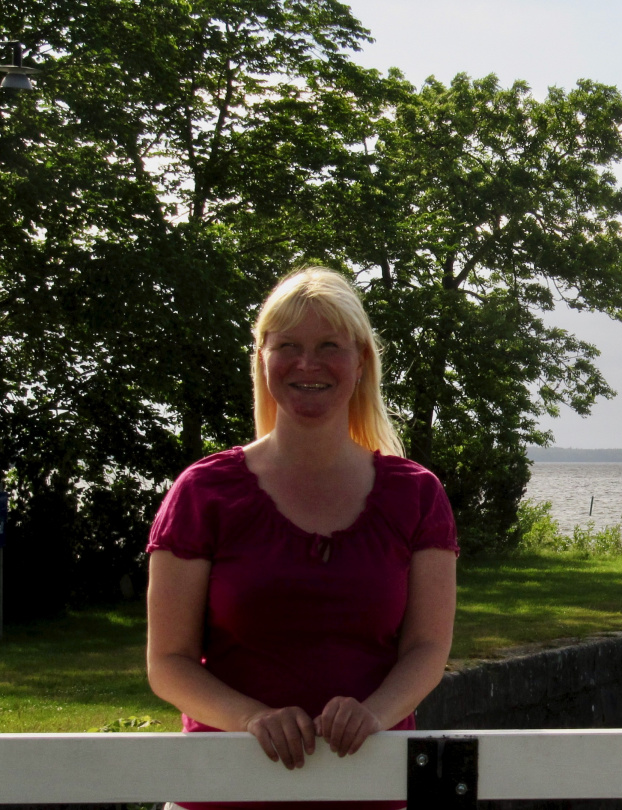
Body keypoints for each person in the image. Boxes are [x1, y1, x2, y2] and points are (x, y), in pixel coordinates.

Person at [146, 267, 458, 808]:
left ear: (360, 362)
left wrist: (373, 714)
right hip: (222, 792)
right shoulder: (203, 493)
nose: (307, 364)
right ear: (262, 357)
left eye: (329, 346)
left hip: (372, 789)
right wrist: (252, 719)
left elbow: (428, 649)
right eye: (288, 345)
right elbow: (168, 663)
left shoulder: (417, 495)